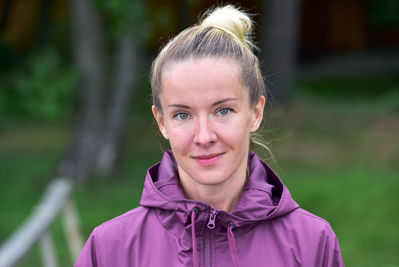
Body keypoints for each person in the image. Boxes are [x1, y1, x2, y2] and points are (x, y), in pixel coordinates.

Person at [75, 5, 344, 267]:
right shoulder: (110, 249)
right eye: (183, 115)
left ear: (255, 113)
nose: (204, 136)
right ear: (162, 122)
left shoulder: (312, 244)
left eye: (223, 111)